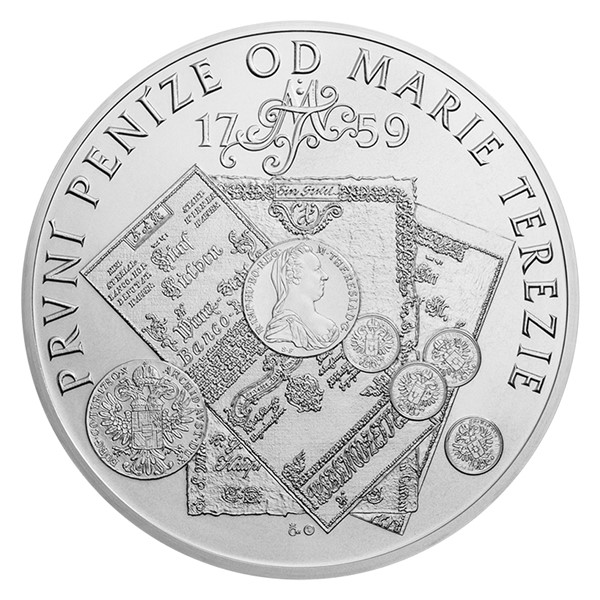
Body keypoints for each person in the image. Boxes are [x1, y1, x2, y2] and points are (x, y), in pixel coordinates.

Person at [264, 243, 339, 351]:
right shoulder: (281, 329)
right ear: (295, 275)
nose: (325, 276)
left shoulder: (329, 327)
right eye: (317, 269)